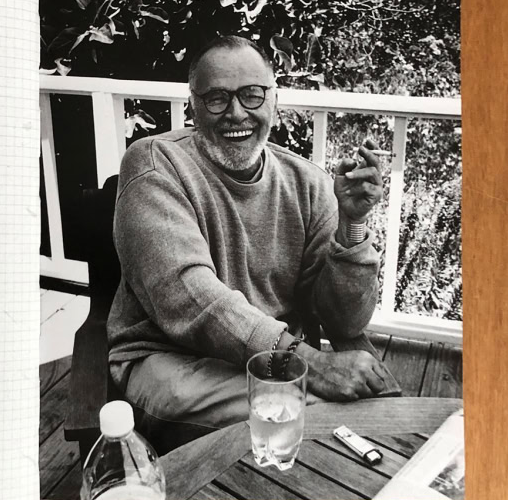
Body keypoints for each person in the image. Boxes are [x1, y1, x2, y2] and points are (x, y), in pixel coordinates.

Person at [107, 35, 397, 433]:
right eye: (216, 98)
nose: (236, 113)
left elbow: (345, 323)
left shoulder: (308, 184)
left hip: (278, 363)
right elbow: (192, 300)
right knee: (337, 419)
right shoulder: (154, 164)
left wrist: (352, 226)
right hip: (174, 363)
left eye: (252, 95)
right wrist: (311, 363)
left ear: (274, 102)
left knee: (362, 411)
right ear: (192, 106)